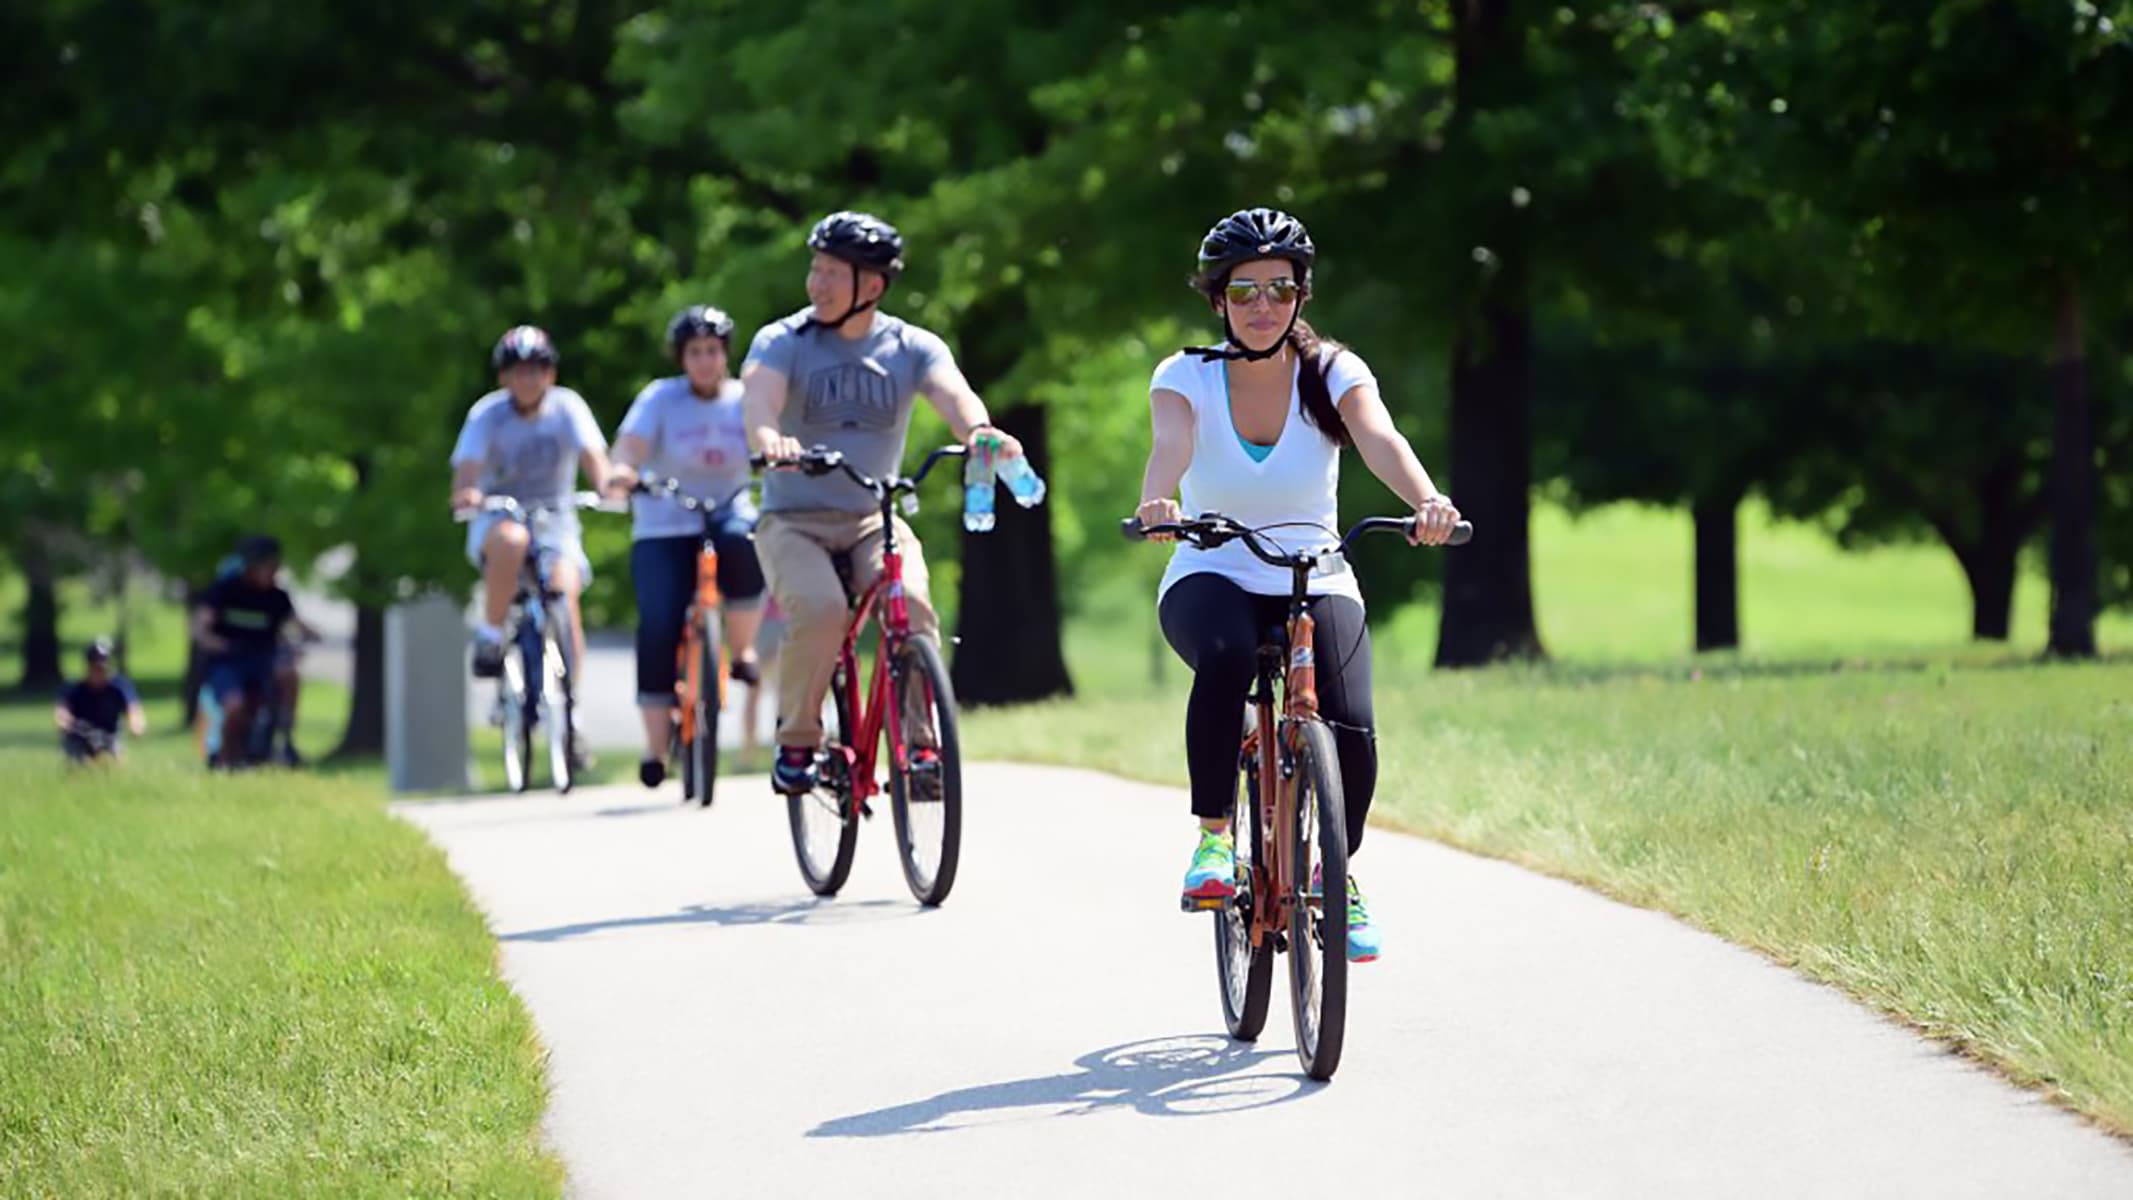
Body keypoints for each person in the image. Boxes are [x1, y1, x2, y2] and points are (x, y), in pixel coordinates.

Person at [1133, 207, 1463, 963]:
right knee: (1226, 656)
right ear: (1217, 300)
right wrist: (1159, 503)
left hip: (1316, 569)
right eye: (1243, 291)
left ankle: (1335, 874)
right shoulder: (1184, 374)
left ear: (1300, 296)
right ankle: (1215, 841)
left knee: (1350, 719)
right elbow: (1171, 446)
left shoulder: (1333, 370)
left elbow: (1379, 436)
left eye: (1279, 289)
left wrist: (1424, 501)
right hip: (1212, 566)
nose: (1262, 306)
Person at [744, 210, 1026, 796]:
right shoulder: (784, 341)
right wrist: (770, 441)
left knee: (913, 604)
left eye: (830, 273)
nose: (814, 284)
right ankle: (798, 738)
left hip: (874, 518)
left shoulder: (911, 346)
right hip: (793, 521)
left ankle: (921, 749)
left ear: (870, 286)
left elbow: (954, 393)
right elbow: (759, 400)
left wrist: (978, 430)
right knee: (821, 611)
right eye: (814, 270)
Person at [606, 305, 769, 789]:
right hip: (665, 518)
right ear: (681, 357)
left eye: (713, 351)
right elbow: (630, 446)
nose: (704, 361)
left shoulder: (746, 397)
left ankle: (740, 651)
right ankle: (656, 748)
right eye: (695, 352)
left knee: (745, 543)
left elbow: (770, 437)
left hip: (729, 505)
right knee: (658, 620)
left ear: (725, 355)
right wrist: (622, 471)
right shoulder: (660, 399)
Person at [450, 325, 615, 687]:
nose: (528, 379)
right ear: (504, 377)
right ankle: (491, 634)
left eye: (536, 370)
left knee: (566, 595)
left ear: (550, 374)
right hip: (499, 515)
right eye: (519, 371)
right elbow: (466, 473)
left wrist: (607, 486)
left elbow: (594, 458)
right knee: (512, 542)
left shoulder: (568, 407)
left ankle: (572, 715)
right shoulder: (487, 415)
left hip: (555, 518)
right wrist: (467, 493)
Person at [192, 535, 320, 766]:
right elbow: (201, 626)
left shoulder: (277, 597)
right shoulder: (225, 591)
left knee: (288, 673)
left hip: (262, 660)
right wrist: (215, 642)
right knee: (234, 707)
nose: (275, 571)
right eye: (270, 565)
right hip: (229, 663)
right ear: (252, 566)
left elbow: (296, 623)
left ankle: (285, 736)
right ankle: (227, 759)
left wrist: (314, 635)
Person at [55, 639, 146, 762]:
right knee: (76, 763)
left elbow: (133, 709)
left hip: (109, 736)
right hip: (80, 736)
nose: (100, 672)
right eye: (95, 668)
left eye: (103, 668)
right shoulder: (75, 689)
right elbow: (62, 712)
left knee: (116, 760)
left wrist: (136, 726)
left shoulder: (119, 687)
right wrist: (64, 723)